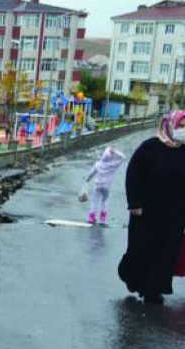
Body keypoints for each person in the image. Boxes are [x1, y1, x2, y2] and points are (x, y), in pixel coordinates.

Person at [117, 110, 185, 305]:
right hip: (146, 212)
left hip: (175, 215)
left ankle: (154, 291)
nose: (183, 130)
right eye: (180, 126)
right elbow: (133, 174)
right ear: (170, 125)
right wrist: (134, 203)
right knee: (141, 250)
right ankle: (133, 278)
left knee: (166, 253)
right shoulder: (150, 148)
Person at [78, 146, 126, 225]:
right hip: (107, 186)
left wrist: (87, 180)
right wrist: (114, 151)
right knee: (105, 201)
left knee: (94, 201)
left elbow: (91, 174)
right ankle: (102, 219)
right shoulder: (113, 165)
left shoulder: (98, 164)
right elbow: (123, 157)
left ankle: (91, 218)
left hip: (97, 185)